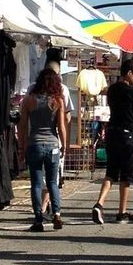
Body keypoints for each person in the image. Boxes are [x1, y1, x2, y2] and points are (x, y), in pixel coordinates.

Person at [92, 60, 133, 224]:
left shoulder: (112, 90)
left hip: (112, 132)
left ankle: (99, 203)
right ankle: (122, 211)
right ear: (129, 73)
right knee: (126, 176)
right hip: (128, 134)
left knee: (111, 171)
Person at [18, 68, 67, 232]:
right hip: (53, 144)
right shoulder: (57, 100)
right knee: (53, 182)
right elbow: (61, 126)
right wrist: (64, 145)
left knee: (36, 183)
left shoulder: (28, 100)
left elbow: (23, 126)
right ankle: (57, 213)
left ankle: (38, 218)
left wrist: (21, 146)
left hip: (35, 144)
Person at [39, 60, 74, 216]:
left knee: (39, 175)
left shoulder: (34, 90)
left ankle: (43, 207)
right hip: (55, 139)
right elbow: (66, 119)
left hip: (36, 139)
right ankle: (50, 208)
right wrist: (66, 142)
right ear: (58, 74)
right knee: (53, 176)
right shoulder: (62, 90)